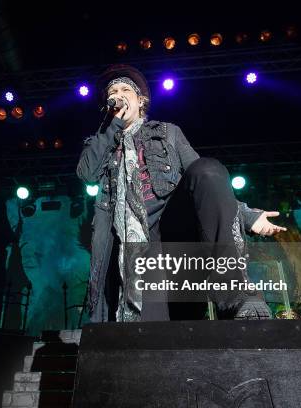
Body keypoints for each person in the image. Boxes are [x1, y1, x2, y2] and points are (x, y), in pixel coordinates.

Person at [76, 64, 286, 323]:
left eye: (125, 90)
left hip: (172, 227)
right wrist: (111, 126)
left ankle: (236, 294)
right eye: (113, 91)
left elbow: (204, 182)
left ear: (141, 100)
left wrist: (249, 215)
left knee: (208, 167)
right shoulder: (102, 142)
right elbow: (86, 173)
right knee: (157, 329)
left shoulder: (168, 132)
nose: (118, 94)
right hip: (135, 246)